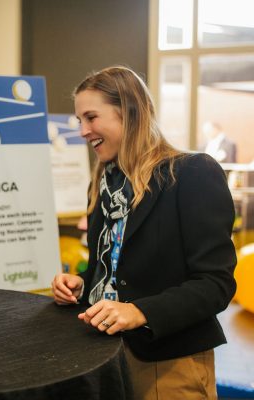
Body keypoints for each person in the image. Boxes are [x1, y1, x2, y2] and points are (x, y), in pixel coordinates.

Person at [51, 66, 236, 399]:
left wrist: (140, 311)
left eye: (91, 117)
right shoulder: (103, 183)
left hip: (167, 360)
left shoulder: (192, 173)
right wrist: (83, 283)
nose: (82, 131)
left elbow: (215, 285)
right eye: (80, 120)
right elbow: (113, 268)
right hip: (100, 356)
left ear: (129, 113)